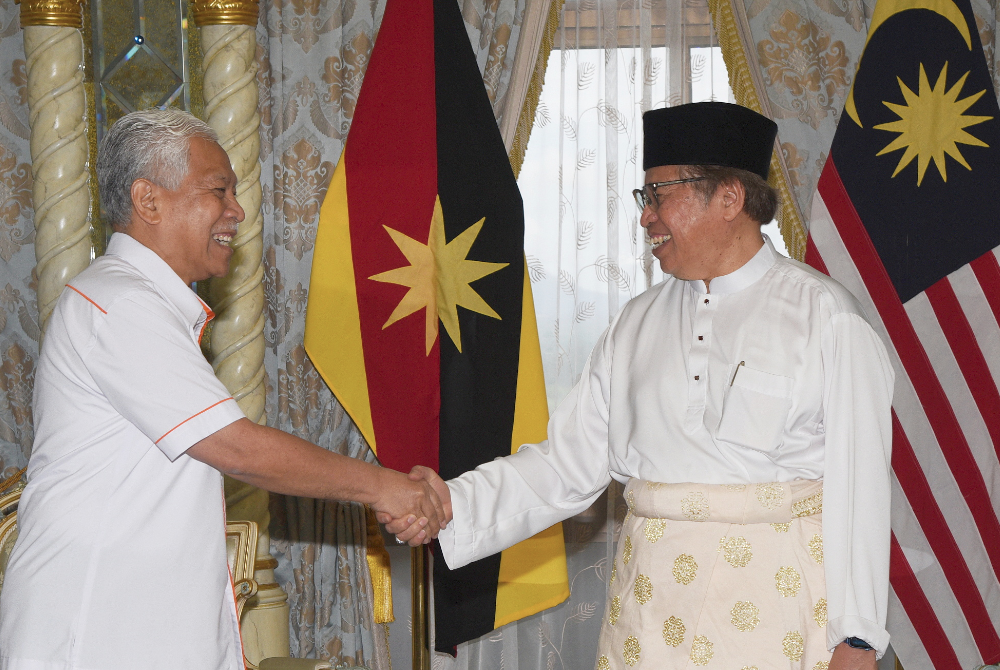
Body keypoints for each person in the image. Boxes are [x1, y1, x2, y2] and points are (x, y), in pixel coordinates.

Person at [388, 102, 894, 670]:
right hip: (650, 620)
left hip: (777, 615)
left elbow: (863, 488)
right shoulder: (634, 323)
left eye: (658, 195)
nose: (645, 217)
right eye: (643, 198)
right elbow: (565, 468)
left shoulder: (827, 317)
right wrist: (451, 503)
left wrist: (857, 640)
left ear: (730, 198)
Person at [0, 109, 447, 670]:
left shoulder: (140, 302)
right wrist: (384, 488)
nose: (237, 211)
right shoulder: (121, 303)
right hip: (94, 633)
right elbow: (236, 448)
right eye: (218, 190)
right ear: (148, 200)